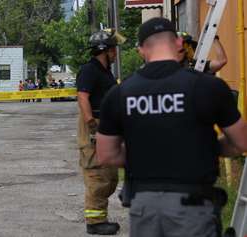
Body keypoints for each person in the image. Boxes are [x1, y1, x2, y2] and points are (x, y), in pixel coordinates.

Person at [96, 17, 247, 237]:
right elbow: (241, 142)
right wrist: (202, 148)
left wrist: (148, 153)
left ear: (140, 50)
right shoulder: (208, 86)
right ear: (178, 43)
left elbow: (106, 155)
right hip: (193, 206)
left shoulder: (120, 93)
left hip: (144, 207)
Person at [76, 28, 126, 235]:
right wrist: (91, 124)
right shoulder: (89, 70)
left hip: (105, 124)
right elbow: (83, 96)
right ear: (104, 49)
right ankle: (95, 222)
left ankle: (99, 216)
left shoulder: (104, 71)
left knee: (109, 175)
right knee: (97, 174)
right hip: (94, 124)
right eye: (113, 48)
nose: (116, 52)